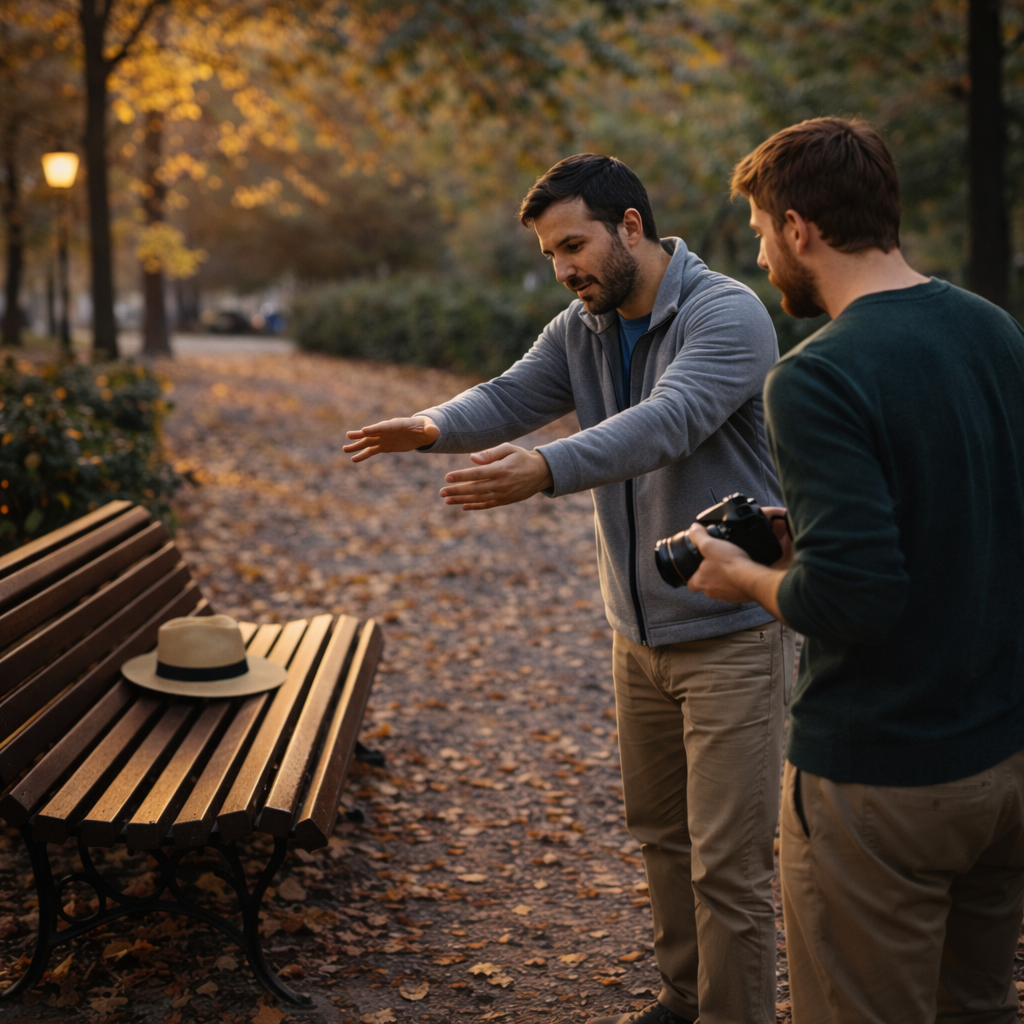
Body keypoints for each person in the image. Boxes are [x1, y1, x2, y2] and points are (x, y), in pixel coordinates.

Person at [345, 153, 794, 1024]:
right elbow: (513, 394)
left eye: (574, 245)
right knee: (662, 840)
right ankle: (683, 996)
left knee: (728, 864)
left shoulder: (727, 312)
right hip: (639, 634)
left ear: (632, 226)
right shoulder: (582, 324)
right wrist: (434, 425)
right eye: (552, 254)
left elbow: (666, 423)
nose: (564, 269)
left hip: (734, 631)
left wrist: (546, 469)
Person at [686, 116, 1024, 1024]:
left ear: (799, 228)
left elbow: (849, 599)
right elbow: (975, 509)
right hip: (1003, 760)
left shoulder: (816, 376)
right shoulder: (993, 331)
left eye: (760, 234)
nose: (761, 258)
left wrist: (744, 578)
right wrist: (822, 534)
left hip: (884, 777)